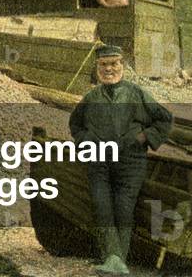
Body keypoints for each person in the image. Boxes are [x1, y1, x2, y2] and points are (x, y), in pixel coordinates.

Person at [69, 45, 173, 275]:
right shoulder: (91, 97)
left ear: (122, 66)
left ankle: (117, 260)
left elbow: (165, 119)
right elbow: (75, 125)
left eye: (114, 64)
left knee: (124, 208)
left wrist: (143, 137)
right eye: (103, 65)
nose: (109, 69)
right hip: (99, 160)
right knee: (101, 205)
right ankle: (113, 259)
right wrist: (87, 139)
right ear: (96, 67)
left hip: (131, 161)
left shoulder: (136, 93)